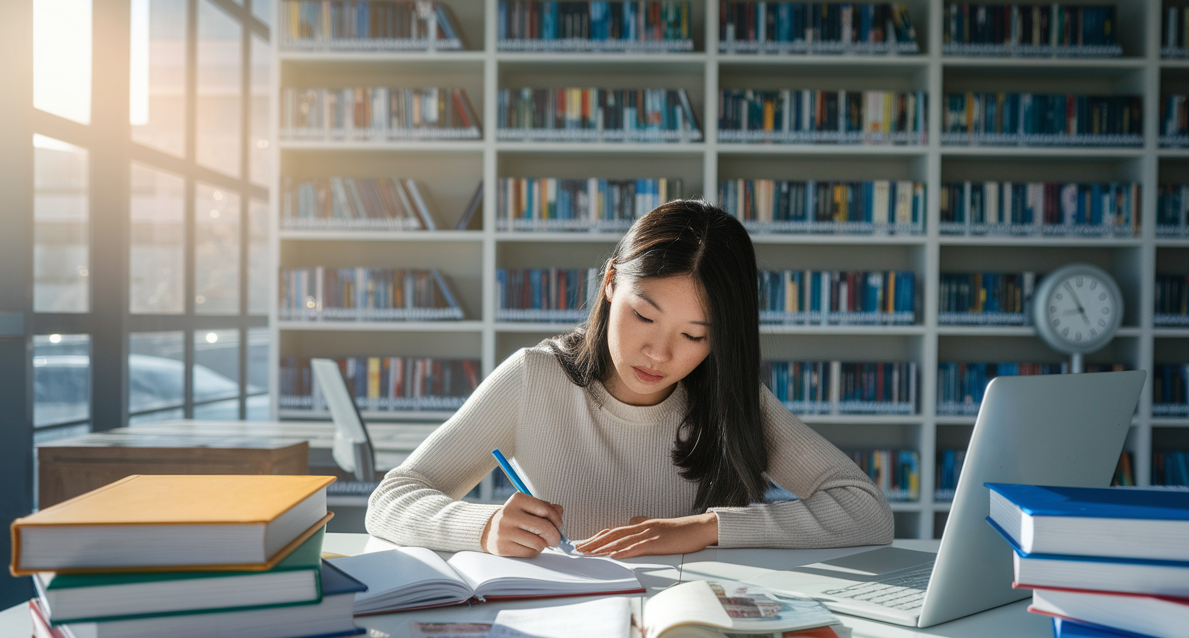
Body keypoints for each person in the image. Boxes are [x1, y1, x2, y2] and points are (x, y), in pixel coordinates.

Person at [366, 199, 894, 558]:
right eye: (645, 315)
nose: (659, 353)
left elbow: (867, 512)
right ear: (612, 283)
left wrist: (704, 530)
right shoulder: (536, 378)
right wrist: (483, 528)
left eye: (694, 336)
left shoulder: (729, 396)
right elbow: (391, 499)